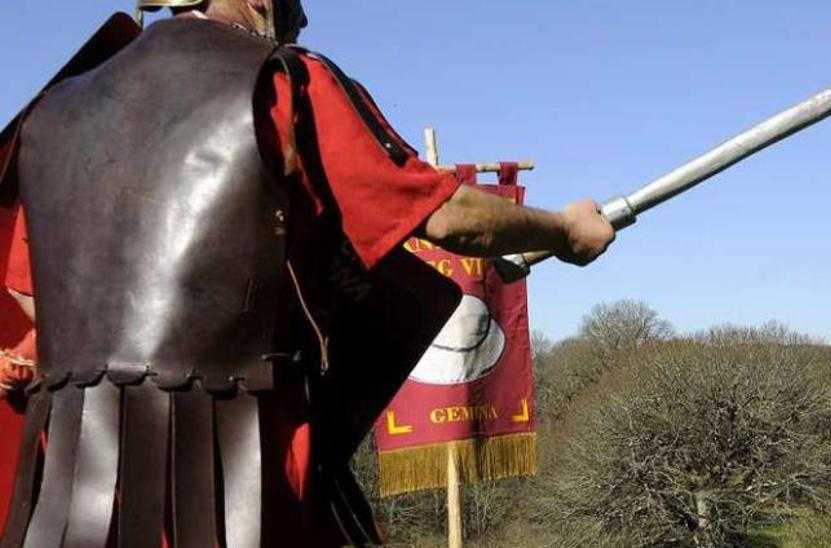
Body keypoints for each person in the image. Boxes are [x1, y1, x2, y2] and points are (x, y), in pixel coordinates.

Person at [0, 1, 614, 546]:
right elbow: (449, 217)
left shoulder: (55, 110)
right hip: (247, 476)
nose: (303, 16)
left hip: (76, 492)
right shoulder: (284, 81)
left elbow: (29, 293)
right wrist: (563, 230)